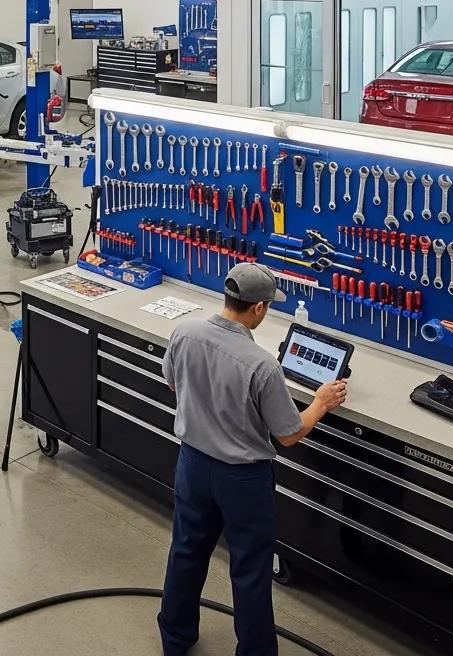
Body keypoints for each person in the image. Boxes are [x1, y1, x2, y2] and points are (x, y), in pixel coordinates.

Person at [158, 263, 347, 656]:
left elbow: (174, 383)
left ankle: (175, 640)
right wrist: (320, 403)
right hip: (241, 481)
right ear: (259, 308)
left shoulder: (185, 332)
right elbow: (290, 433)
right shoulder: (261, 365)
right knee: (250, 571)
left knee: (186, 552)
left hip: (191, 465)